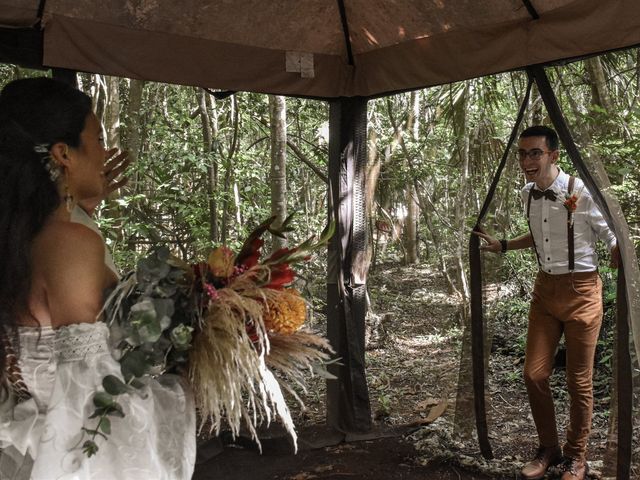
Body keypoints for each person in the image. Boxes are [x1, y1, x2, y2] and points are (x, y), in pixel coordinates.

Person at [0, 77, 196, 479]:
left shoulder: (19, 236)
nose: (106, 152)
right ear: (63, 153)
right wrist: (186, 388)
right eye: (98, 138)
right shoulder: (70, 243)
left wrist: (82, 205)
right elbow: (91, 397)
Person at [475, 125, 618, 480]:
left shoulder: (581, 191)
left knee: (578, 381)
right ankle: (549, 448)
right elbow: (540, 236)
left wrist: (619, 250)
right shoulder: (527, 193)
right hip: (544, 292)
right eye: (522, 154)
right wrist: (504, 245)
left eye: (534, 153)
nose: (526, 160)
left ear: (553, 155)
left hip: (583, 291)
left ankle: (576, 456)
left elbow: (611, 235)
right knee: (534, 373)